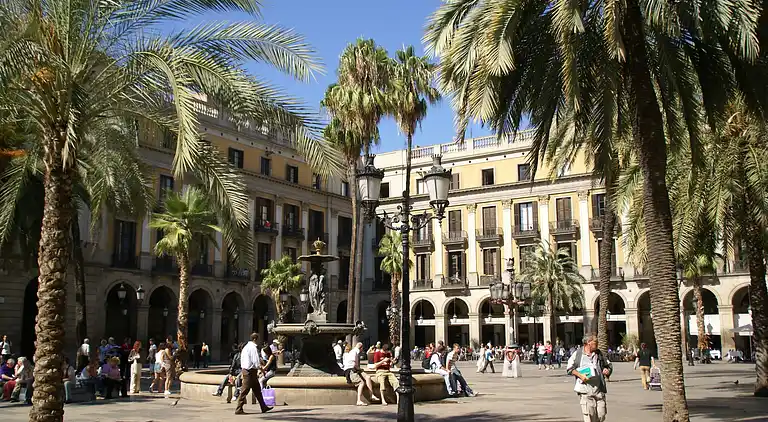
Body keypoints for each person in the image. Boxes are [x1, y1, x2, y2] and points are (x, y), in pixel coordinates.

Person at [566, 334, 613, 422]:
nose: (597, 344)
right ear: (588, 343)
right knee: (589, 417)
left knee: (601, 415)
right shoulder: (578, 354)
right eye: (595, 342)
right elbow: (569, 368)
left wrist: (607, 371)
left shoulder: (599, 354)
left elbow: (608, 365)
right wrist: (580, 376)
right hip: (585, 390)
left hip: (599, 390)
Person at [235, 333, 272, 415]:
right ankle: (238, 408)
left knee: (257, 390)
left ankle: (263, 407)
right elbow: (255, 361)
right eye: (258, 339)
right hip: (249, 371)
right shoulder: (252, 348)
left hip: (248, 371)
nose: (259, 341)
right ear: (255, 339)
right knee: (245, 390)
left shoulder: (246, 347)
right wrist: (261, 369)